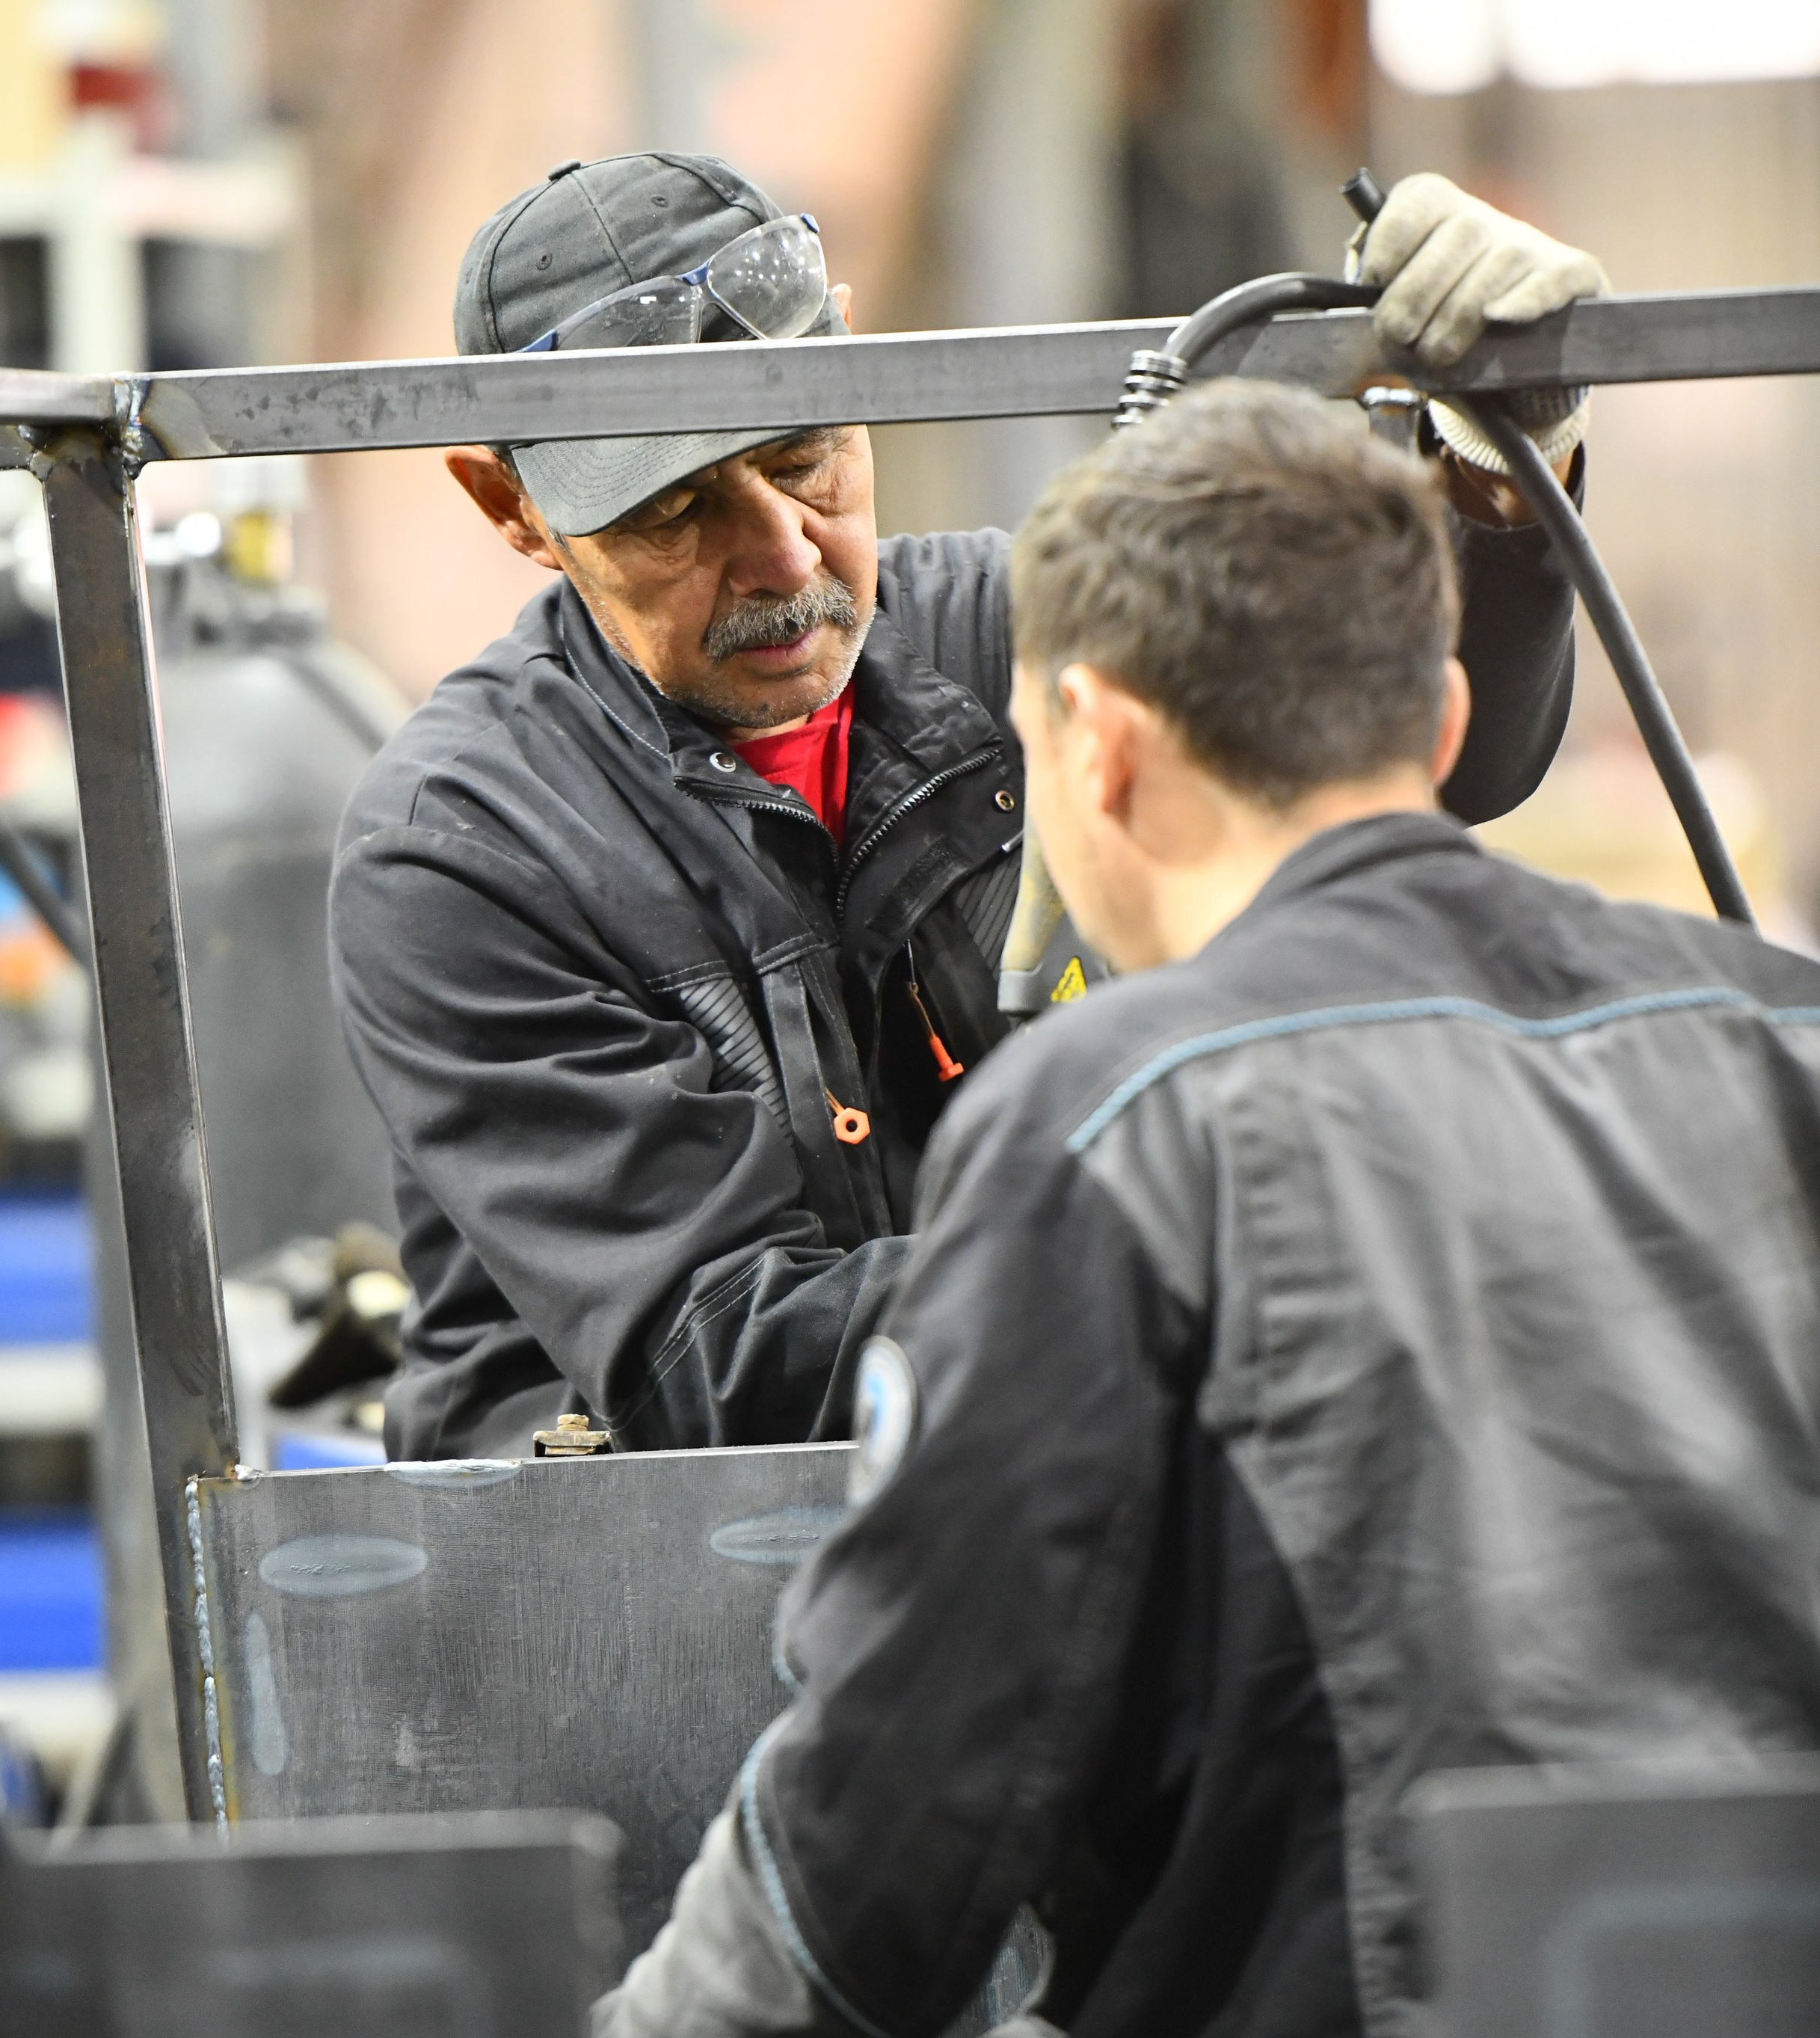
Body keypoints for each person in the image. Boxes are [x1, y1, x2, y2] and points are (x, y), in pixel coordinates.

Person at [592, 378, 1820, 2038]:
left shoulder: (1110, 1118)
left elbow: (889, 1844)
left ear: (1091, 743)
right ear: (1438, 726)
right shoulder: (1779, 1034)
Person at [330, 153, 1602, 1460]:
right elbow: (725, 1364)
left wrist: (1502, 460)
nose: (781, 556)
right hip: (622, 1587)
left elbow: (1431, 764)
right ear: (514, 508)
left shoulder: (1022, 643)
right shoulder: (466, 845)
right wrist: (1218, 1237)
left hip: (1047, 1469)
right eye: (673, 509)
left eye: (804, 456)